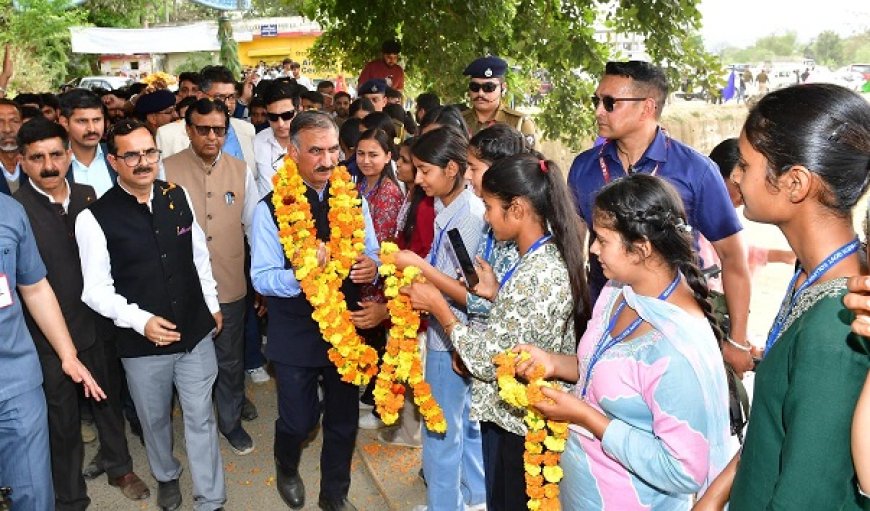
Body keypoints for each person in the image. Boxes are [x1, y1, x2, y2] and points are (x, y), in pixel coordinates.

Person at [697, 84, 870, 511]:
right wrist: (716, 494)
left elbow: (807, 496)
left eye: (745, 164)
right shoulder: (811, 275)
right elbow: (778, 426)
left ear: (795, 183)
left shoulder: (841, 323)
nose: (735, 176)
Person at [516, 173, 731, 509]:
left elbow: (684, 471)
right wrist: (552, 362)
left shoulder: (674, 349)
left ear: (641, 248)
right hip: (583, 489)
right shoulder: (620, 291)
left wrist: (588, 418)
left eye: (602, 239)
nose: (592, 248)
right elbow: (604, 368)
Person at [405, 152, 589, 511]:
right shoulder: (535, 257)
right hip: (508, 418)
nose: (486, 218)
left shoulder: (540, 272)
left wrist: (441, 309)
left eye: (489, 207)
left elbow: (493, 359)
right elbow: (519, 325)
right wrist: (496, 294)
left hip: (522, 428)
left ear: (517, 209)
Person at [567, 60, 755, 379]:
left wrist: (736, 340)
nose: (598, 110)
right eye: (595, 101)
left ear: (647, 107)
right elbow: (572, 251)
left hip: (672, 331)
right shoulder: (585, 168)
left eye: (610, 102)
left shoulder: (696, 172)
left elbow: (734, 259)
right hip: (603, 324)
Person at [76, 119, 226, 511]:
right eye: (132, 155)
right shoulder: (94, 218)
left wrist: (211, 303)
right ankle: (166, 474)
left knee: (200, 418)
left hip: (194, 331)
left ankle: (211, 499)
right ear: (114, 161)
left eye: (150, 153)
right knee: (155, 420)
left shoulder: (178, 196)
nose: (144, 162)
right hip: (141, 345)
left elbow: (197, 257)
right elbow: (94, 291)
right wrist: (140, 320)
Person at [13, 117, 149, 509]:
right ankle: (71, 496)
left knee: (107, 401)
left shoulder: (91, 197)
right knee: (62, 418)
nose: (49, 165)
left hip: (97, 326)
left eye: (56, 154)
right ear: (22, 161)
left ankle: (120, 466)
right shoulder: (16, 210)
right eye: (37, 158)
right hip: (46, 338)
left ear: (70, 156)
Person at [250, 111, 381, 511]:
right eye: (315, 151)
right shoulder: (270, 208)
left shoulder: (353, 197)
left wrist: (371, 265)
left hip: (346, 325)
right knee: (300, 419)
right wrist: (303, 275)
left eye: (333, 151)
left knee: (342, 421)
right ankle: (285, 462)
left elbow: (372, 248)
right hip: (295, 329)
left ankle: (334, 495)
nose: (327, 161)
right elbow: (262, 277)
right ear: (293, 152)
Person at [395, 126, 487, 511]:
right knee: (461, 425)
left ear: (452, 168)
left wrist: (419, 268)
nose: (418, 179)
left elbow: (468, 289)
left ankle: (444, 505)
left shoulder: (468, 214)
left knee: (442, 431)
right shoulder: (446, 205)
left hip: (451, 333)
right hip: (446, 330)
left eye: (425, 170)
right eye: (415, 169)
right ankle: (472, 497)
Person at [163, 98, 259, 457]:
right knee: (186, 360)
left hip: (230, 283)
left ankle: (230, 423)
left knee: (231, 360)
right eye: (202, 129)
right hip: (182, 288)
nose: (211, 137)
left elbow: (252, 228)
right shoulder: (166, 170)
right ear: (189, 130)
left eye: (218, 129)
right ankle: (195, 428)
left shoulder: (240, 170)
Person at [0, 189, 106, 510]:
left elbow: (34, 287)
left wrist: (67, 354)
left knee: (33, 494)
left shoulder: (10, 211)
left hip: (16, 379)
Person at [352, 128, 405, 430]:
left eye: (374, 154)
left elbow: (382, 243)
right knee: (368, 340)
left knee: (380, 341)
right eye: (361, 154)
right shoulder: (359, 185)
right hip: (361, 273)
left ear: (387, 157)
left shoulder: (388, 192)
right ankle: (369, 392)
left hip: (379, 278)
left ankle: (376, 401)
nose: (366, 160)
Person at [156, 65, 256, 177]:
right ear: (200, 96)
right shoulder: (168, 135)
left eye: (231, 97)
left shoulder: (247, 130)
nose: (227, 104)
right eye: (219, 97)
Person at [461, 56, 537, 148]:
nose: (480, 93)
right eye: (475, 87)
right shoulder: (458, 121)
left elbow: (532, 160)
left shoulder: (519, 123)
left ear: (503, 87)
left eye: (488, 87)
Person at [58, 89, 117, 197]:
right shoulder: (55, 163)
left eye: (96, 120)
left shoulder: (118, 156)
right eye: (82, 121)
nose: (91, 129)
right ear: (65, 122)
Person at [253, 81, 297, 196]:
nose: (280, 123)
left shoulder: (310, 142)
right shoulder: (257, 142)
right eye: (273, 117)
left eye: (286, 116)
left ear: (297, 110)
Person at [0, 98, 23, 195]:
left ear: (22, 124)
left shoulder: (35, 163)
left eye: (14, 121)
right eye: (0, 122)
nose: (7, 129)